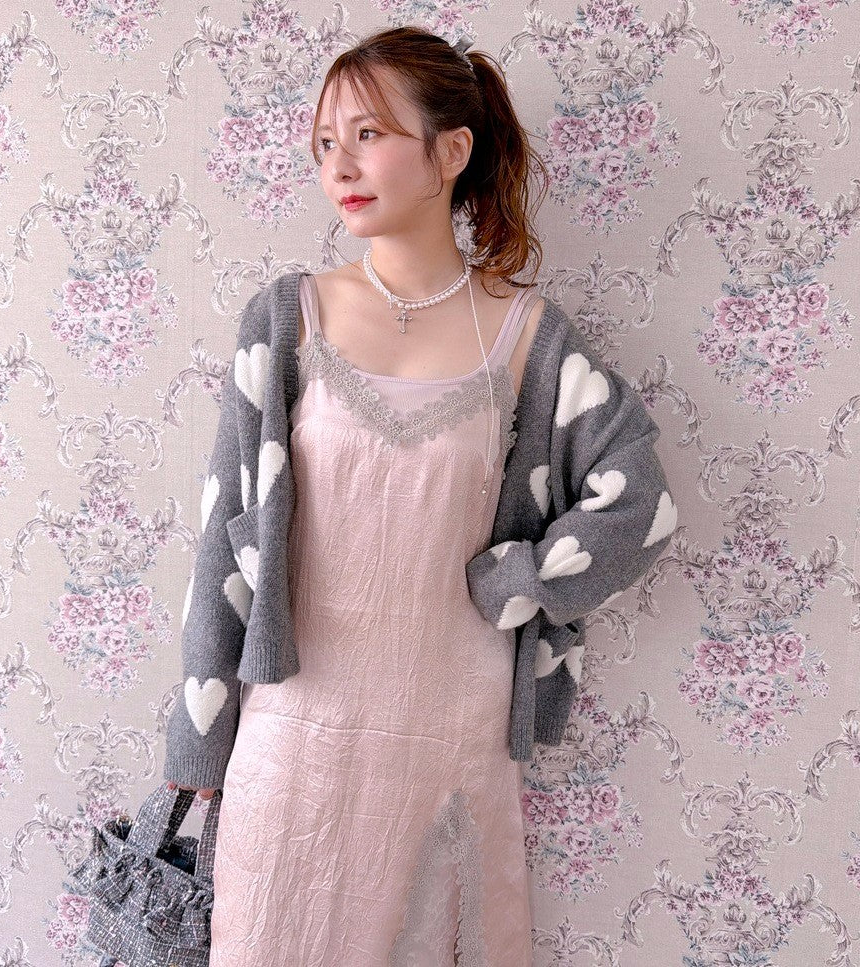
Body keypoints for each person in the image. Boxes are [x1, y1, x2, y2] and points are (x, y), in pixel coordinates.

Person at [170, 24, 551, 965]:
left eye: (368, 134)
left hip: (449, 743)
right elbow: (224, 535)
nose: (338, 164)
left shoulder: (526, 336)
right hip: (295, 735)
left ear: (450, 152)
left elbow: (637, 505)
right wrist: (197, 745)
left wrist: (523, 576)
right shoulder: (287, 317)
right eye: (324, 142)